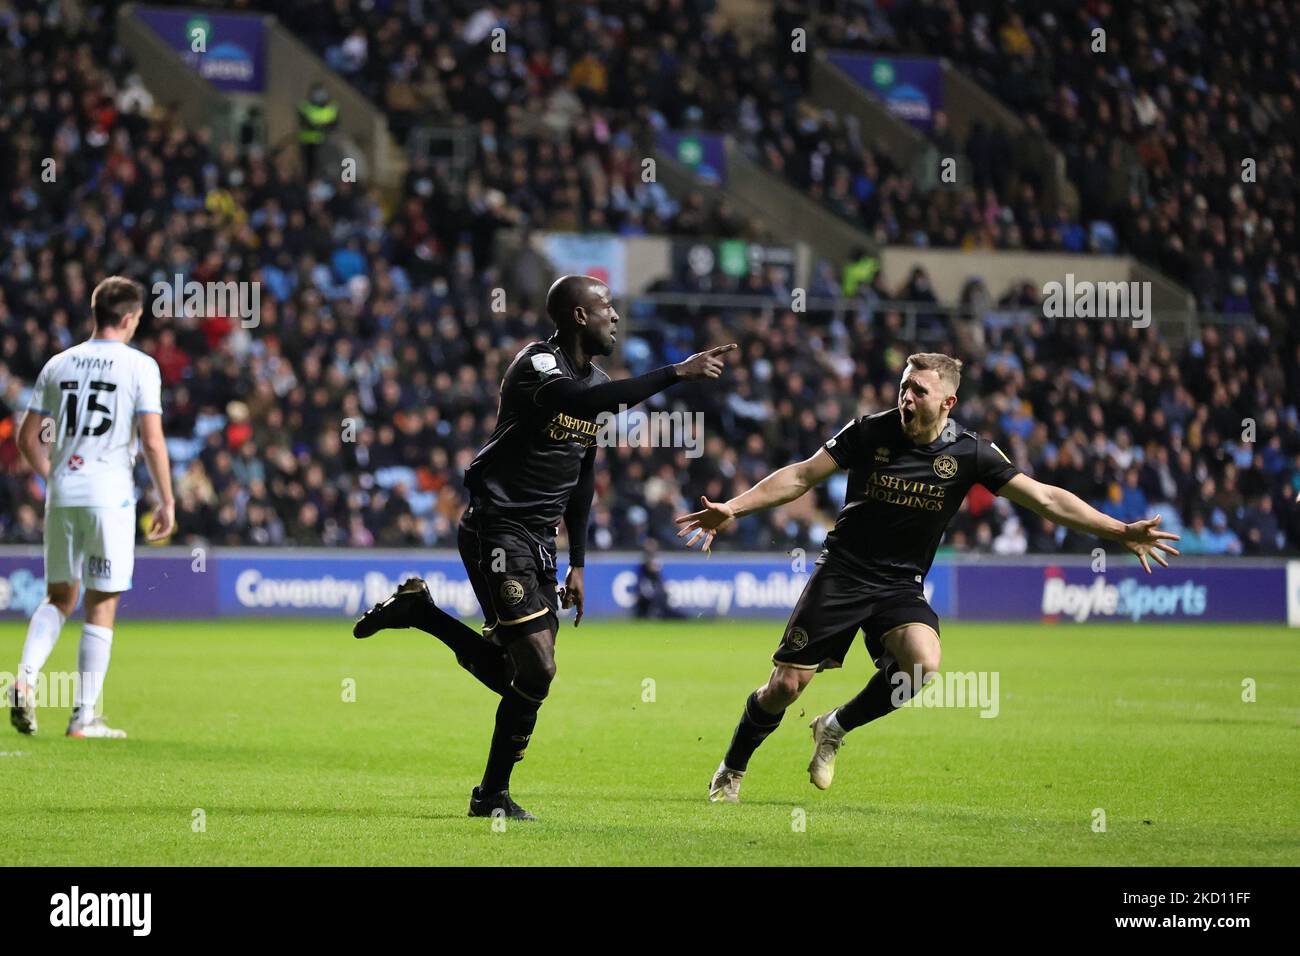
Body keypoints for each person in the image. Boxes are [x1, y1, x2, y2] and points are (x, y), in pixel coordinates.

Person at [675, 352, 1180, 802]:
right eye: (902, 387)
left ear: (948, 402)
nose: (906, 398)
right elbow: (802, 475)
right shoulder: (868, 432)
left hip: (900, 584)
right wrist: (733, 509)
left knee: (922, 663)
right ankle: (731, 770)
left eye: (919, 390)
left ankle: (834, 727)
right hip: (844, 572)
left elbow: (1046, 498)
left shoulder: (972, 454)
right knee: (785, 686)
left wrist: (1118, 530)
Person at [353, 275, 736, 819]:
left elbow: (584, 477)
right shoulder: (538, 366)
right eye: (606, 308)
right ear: (580, 316)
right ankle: (490, 797)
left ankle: (423, 617)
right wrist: (677, 371)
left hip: (540, 538)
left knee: (525, 675)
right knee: (537, 667)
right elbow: (588, 399)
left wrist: (579, 562)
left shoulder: (595, 381)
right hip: (496, 525)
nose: (616, 318)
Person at [11, 276, 175, 738]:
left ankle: (24, 677)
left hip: (63, 494)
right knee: (101, 602)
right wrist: (167, 498)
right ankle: (83, 717)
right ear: (128, 318)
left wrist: (55, 476)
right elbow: (153, 440)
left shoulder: (57, 363)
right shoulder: (140, 366)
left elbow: (27, 438)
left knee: (60, 596)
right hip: (110, 496)